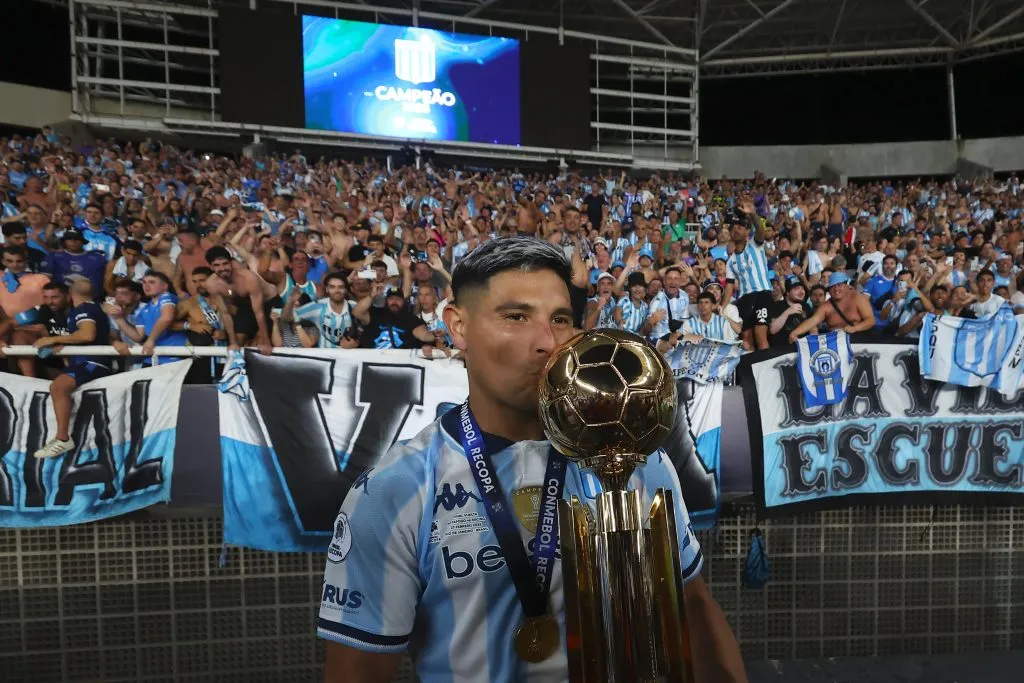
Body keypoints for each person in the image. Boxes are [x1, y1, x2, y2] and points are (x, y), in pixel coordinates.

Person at [319, 236, 746, 683]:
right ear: (457, 326)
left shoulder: (637, 459)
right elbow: (361, 671)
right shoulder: (394, 490)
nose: (547, 342)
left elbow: (691, 606)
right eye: (516, 316)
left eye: (560, 319)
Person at [32, 277, 114, 459]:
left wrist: (52, 339)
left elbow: (87, 334)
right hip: (83, 363)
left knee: (58, 387)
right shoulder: (83, 309)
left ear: (68, 294)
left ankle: (62, 438)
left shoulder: (85, 308)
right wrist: (64, 344)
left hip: (93, 363)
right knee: (57, 387)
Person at [203, 246, 275, 353]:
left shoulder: (248, 277)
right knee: (238, 341)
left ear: (231, 263)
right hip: (246, 307)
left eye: (225, 263)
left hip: (270, 304)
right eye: (217, 265)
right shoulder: (211, 284)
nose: (222, 268)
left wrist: (266, 341)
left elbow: (259, 313)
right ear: (211, 267)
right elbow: (225, 313)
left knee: (260, 342)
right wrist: (233, 343)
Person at [721, 208, 773, 350]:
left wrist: (752, 213)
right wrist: (722, 307)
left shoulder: (755, 245)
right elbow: (729, 287)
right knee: (746, 338)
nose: (736, 230)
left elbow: (761, 229)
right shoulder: (730, 262)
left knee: (760, 334)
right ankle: (752, 370)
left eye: (740, 227)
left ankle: (766, 369)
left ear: (746, 232)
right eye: (733, 229)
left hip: (762, 294)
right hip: (744, 299)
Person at [787, 273, 876, 341]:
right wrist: (795, 332)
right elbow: (812, 321)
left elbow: (871, 320)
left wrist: (855, 328)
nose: (836, 289)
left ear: (846, 285)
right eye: (832, 286)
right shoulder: (826, 307)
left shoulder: (858, 298)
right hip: (837, 345)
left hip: (860, 342)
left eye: (839, 285)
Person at [283, 271, 357, 349]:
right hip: (325, 358)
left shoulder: (354, 306)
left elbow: (366, 331)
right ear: (327, 289)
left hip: (349, 358)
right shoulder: (317, 306)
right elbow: (287, 318)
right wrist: (290, 301)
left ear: (345, 289)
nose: (337, 290)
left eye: (340, 287)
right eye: (332, 287)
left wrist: (355, 343)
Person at [354, 284, 436, 350]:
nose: (394, 302)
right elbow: (357, 312)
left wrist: (435, 334)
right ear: (386, 301)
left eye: (398, 299)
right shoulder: (375, 313)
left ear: (404, 302)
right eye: (391, 299)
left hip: (399, 365)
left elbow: (424, 335)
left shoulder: (411, 319)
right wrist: (372, 295)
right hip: (371, 362)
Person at [40, 229, 108, 297]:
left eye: (77, 238)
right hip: (62, 302)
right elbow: (44, 283)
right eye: (69, 239)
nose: (73, 241)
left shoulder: (98, 259)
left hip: (93, 300)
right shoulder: (53, 257)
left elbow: (106, 282)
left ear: (82, 241)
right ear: (64, 242)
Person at [768, 279, 810, 347]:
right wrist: (787, 312)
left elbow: (813, 328)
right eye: (797, 288)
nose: (801, 292)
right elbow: (772, 330)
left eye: (803, 289)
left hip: (802, 349)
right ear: (787, 292)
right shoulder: (777, 305)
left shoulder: (806, 306)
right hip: (781, 350)